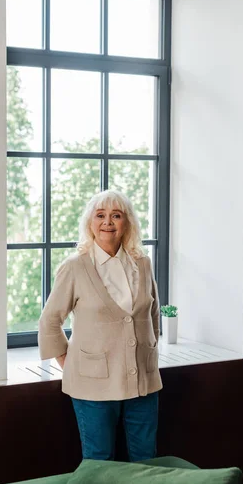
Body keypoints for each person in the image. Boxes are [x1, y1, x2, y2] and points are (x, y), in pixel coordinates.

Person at [38, 189, 162, 462]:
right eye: (101, 215)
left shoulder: (142, 263)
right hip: (92, 384)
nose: (108, 222)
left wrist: (151, 349)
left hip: (142, 377)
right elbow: (49, 321)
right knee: (99, 459)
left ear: (127, 223)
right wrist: (68, 362)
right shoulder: (75, 267)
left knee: (146, 458)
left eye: (116, 215)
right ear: (90, 223)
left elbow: (153, 312)